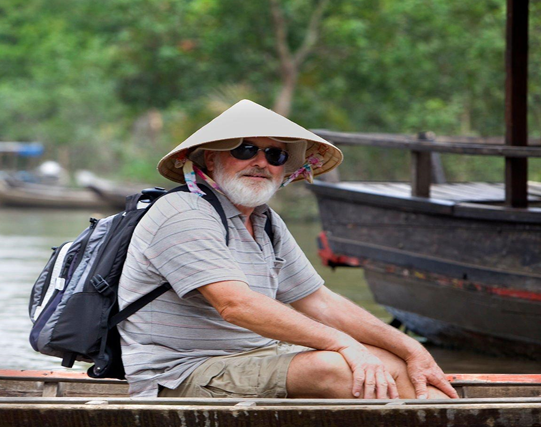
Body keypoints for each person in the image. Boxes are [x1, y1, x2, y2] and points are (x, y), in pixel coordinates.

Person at [117, 99, 459, 400]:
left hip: (256, 356)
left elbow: (320, 302)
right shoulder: (183, 213)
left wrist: (411, 348)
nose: (261, 162)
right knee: (335, 366)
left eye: (275, 154)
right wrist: (344, 344)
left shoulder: (266, 222)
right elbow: (236, 305)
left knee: (393, 362)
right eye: (245, 150)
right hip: (181, 374)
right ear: (211, 158)